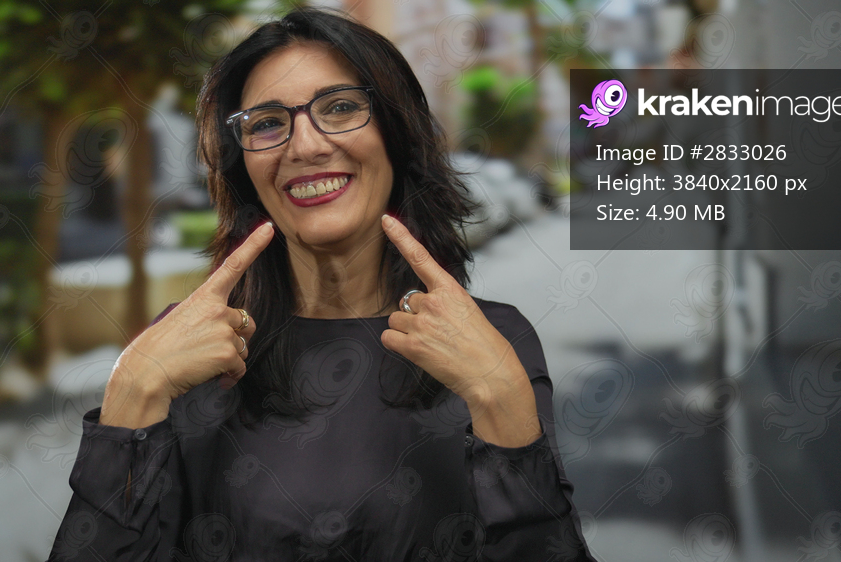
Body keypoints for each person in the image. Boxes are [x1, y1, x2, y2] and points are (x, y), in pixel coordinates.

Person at [48, 7, 595, 561]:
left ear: (397, 135)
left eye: (340, 107)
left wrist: (503, 404)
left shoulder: (496, 338)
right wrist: (130, 395)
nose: (305, 146)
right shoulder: (190, 348)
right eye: (266, 123)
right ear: (244, 169)